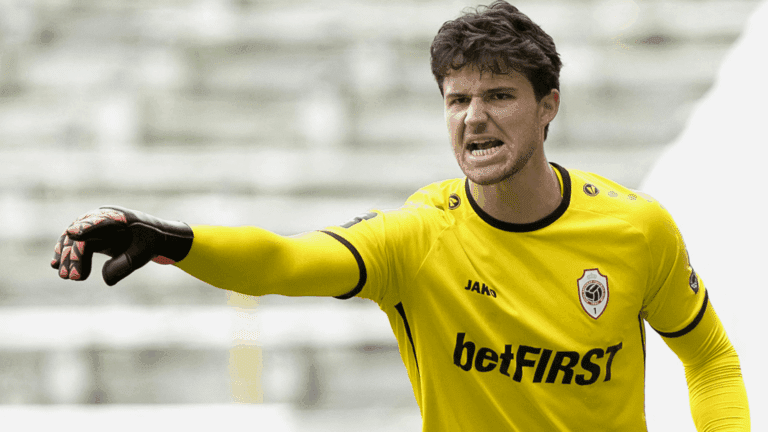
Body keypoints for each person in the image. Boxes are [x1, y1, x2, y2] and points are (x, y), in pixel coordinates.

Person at [51, 1, 749, 430]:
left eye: (499, 95)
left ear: (548, 107)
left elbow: (711, 359)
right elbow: (284, 262)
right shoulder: (420, 237)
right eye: (457, 100)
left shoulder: (636, 229)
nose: (473, 118)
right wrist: (172, 240)